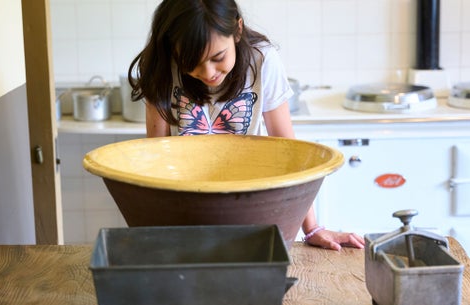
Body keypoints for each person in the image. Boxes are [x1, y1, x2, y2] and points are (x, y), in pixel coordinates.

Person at [128, 0, 364, 251]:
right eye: (192, 64)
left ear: (237, 30)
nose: (208, 73)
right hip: (185, 205)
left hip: (249, 201)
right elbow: (155, 157)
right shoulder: (162, 65)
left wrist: (312, 228)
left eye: (218, 57)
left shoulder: (262, 60)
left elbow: (290, 151)